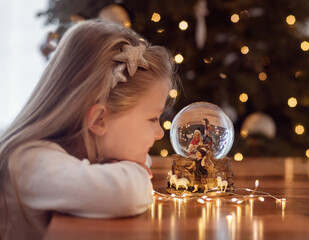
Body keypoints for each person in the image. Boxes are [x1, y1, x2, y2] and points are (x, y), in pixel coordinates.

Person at [0, 19, 177, 240]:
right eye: (152, 119)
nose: (160, 133)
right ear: (99, 120)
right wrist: (135, 168)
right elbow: (125, 194)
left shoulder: (72, 155)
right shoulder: (27, 162)